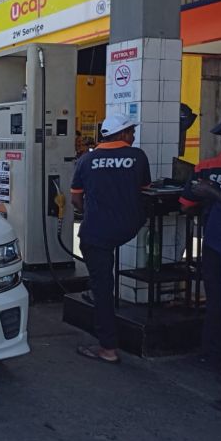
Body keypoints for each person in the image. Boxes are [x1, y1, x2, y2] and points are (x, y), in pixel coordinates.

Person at [71, 113, 152, 364]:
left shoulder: (86, 160)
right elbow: (145, 192)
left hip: (97, 232)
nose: (134, 135)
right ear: (124, 134)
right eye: (131, 131)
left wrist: (92, 214)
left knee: (102, 289)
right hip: (128, 227)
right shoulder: (138, 156)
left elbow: (76, 199)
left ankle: (108, 348)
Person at [179, 110, 221, 413]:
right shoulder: (206, 167)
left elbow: (187, 205)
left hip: (217, 244)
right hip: (215, 245)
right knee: (218, 305)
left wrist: (213, 193)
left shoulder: (208, 171)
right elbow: (187, 203)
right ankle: (216, 358)